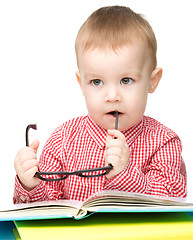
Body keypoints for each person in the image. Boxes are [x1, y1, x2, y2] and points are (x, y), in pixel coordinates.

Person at [13, 5, 187, 204]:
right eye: (97, 82)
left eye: (126, 80)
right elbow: (46, 208)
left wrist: (125, 174)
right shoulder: (61, 141)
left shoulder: (163, 141)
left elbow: (173, 199)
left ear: (152, 80)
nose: (112, 96)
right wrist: (29, 184)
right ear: (82, 84)